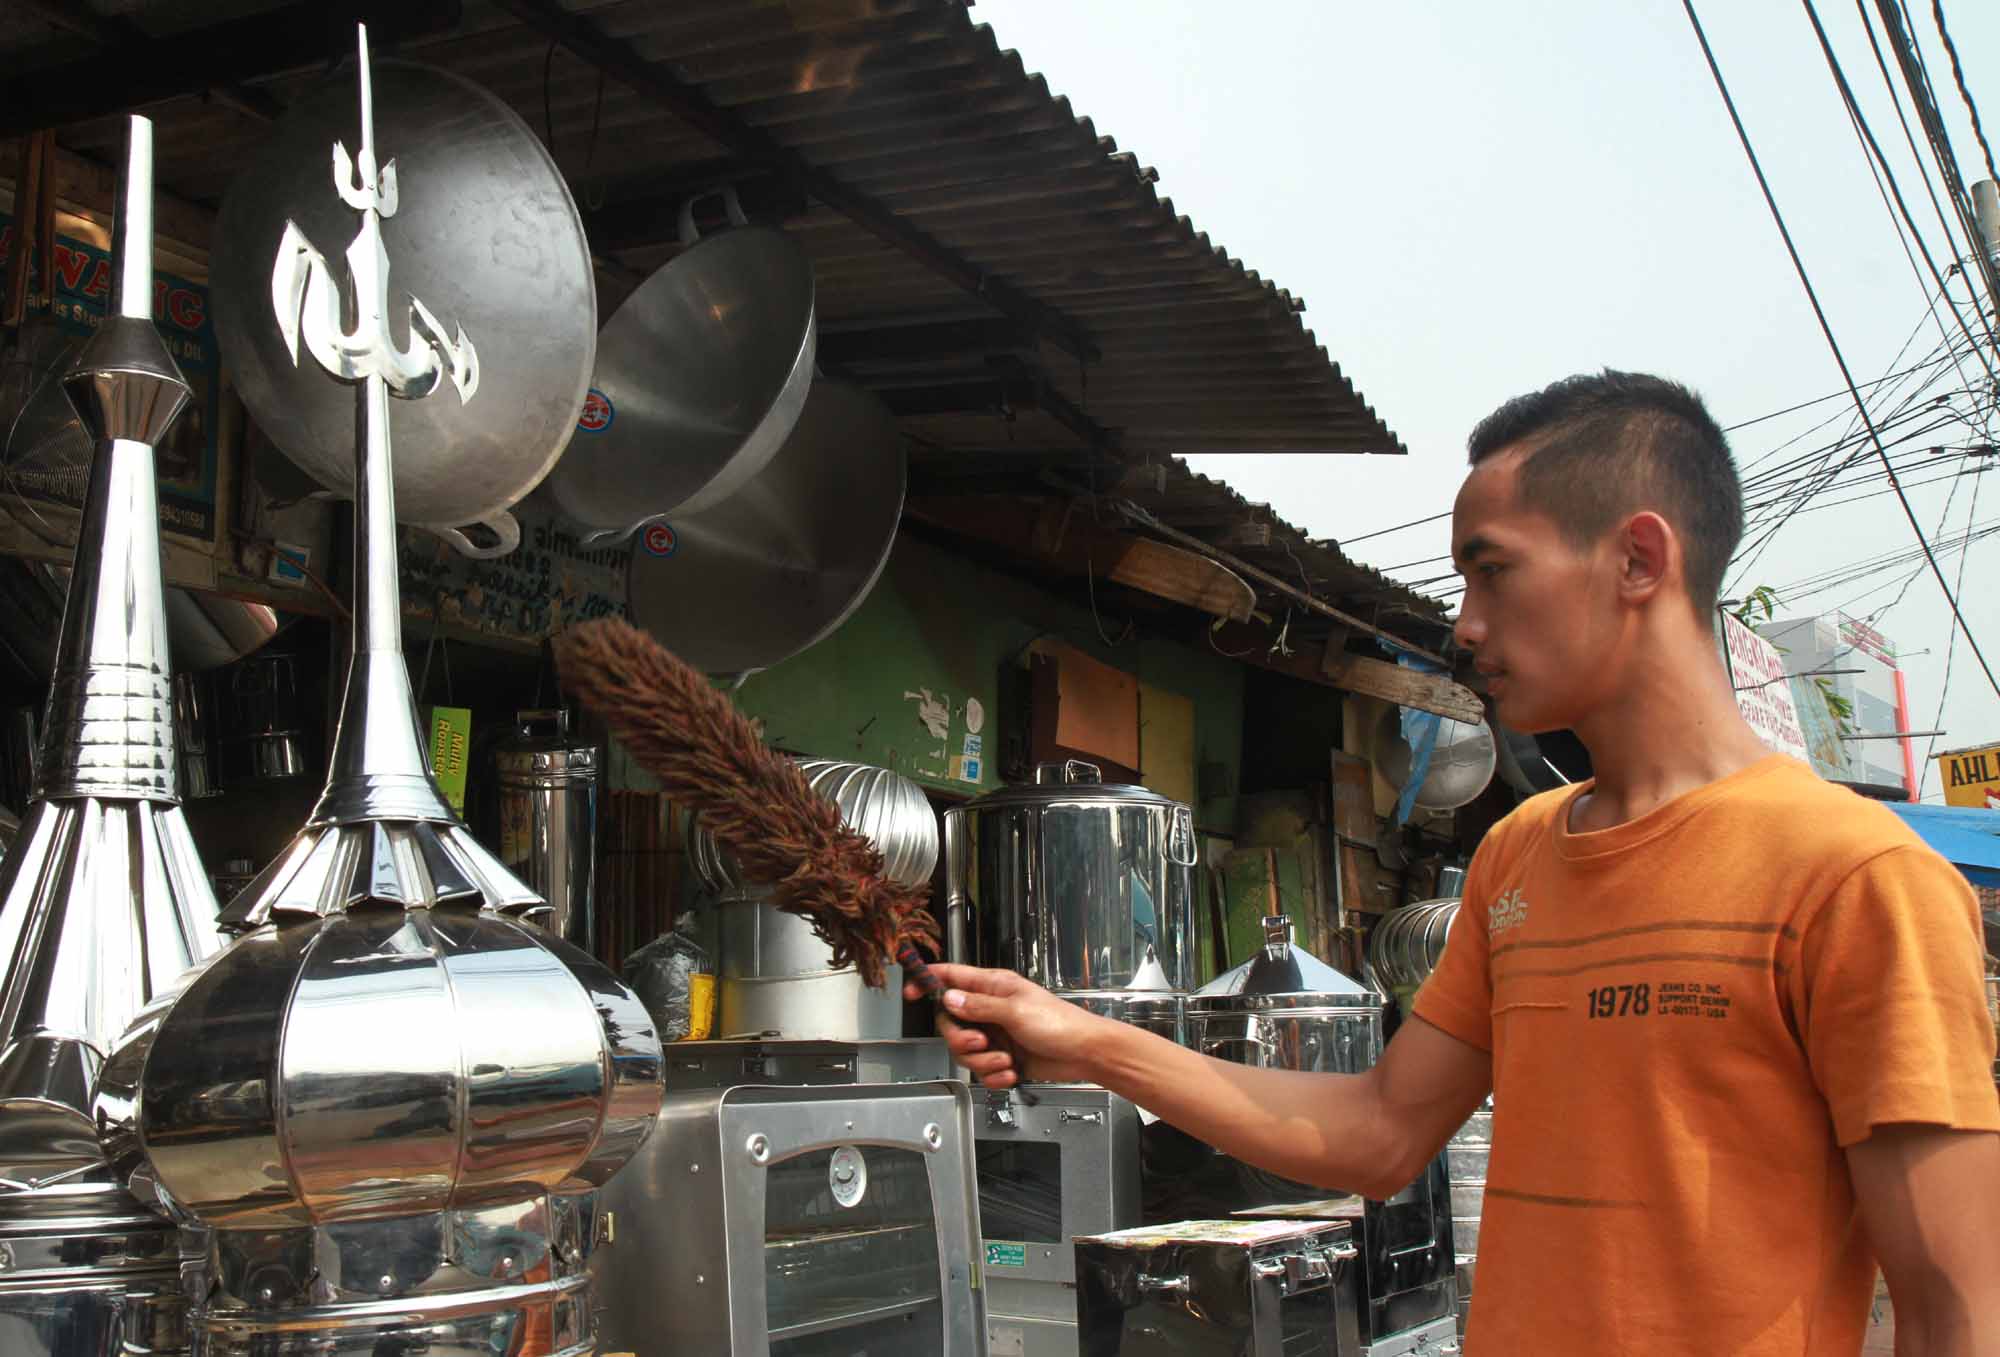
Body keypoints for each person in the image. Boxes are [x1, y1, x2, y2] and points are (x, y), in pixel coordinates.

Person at [911, 371, 2000, 1355]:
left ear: (1637, 559)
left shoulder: (1853, 877)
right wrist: (1092, 1044)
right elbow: (1381, 1131)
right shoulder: (1517, 854)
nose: (1464, 627)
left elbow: (1953, 1307)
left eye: (1491, 574)